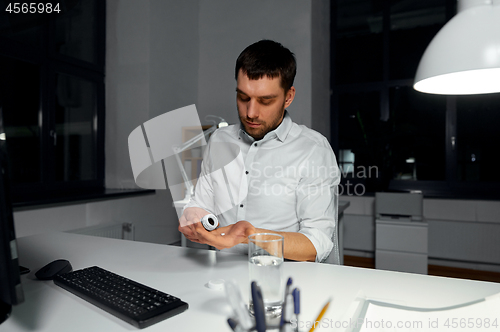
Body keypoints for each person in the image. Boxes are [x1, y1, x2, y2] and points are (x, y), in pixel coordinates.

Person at [178, 40, 340, 263]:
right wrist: (195, 216)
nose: (251, 113)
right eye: (243, 97)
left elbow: (316, 243)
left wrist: (251, 236)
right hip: (219, 276)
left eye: (265, 101)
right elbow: (202, 204)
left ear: (288, 97)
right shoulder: (219, 141)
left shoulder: (313, 150)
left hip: (282, 281)